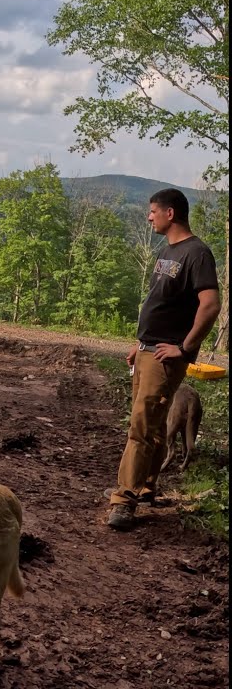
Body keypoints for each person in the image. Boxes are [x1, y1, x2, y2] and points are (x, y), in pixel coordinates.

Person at [106, 188, 220, 531]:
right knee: (152, 427)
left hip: (166, 356)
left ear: (170, 213)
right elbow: (161, 304)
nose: (149, 216)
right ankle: (144, 486)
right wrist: (140, 344)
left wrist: (185, 349)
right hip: (148, 350)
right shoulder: (169, 250)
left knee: (140, 427)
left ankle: (123, 500)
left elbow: (211, 305)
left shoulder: (197, 253)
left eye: (152, 211)